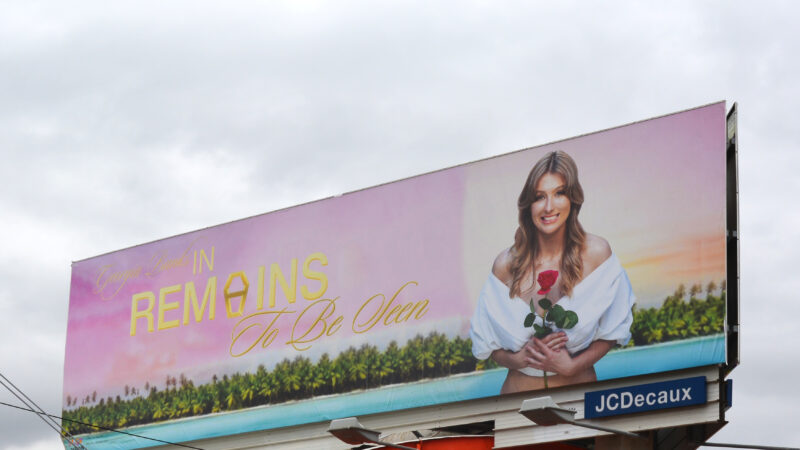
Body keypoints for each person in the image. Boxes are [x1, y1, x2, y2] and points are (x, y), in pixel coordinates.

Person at [469, 150, 635, 394]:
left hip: (581, 402)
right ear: (529, 205)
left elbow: (613, 331)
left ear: (573, 199)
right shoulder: (505, 264)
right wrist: (515, 360)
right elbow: (487, 342)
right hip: (516, 404)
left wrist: (572, 366)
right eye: (539, 197)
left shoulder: (597, 253)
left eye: (559, 193)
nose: (549, 207)